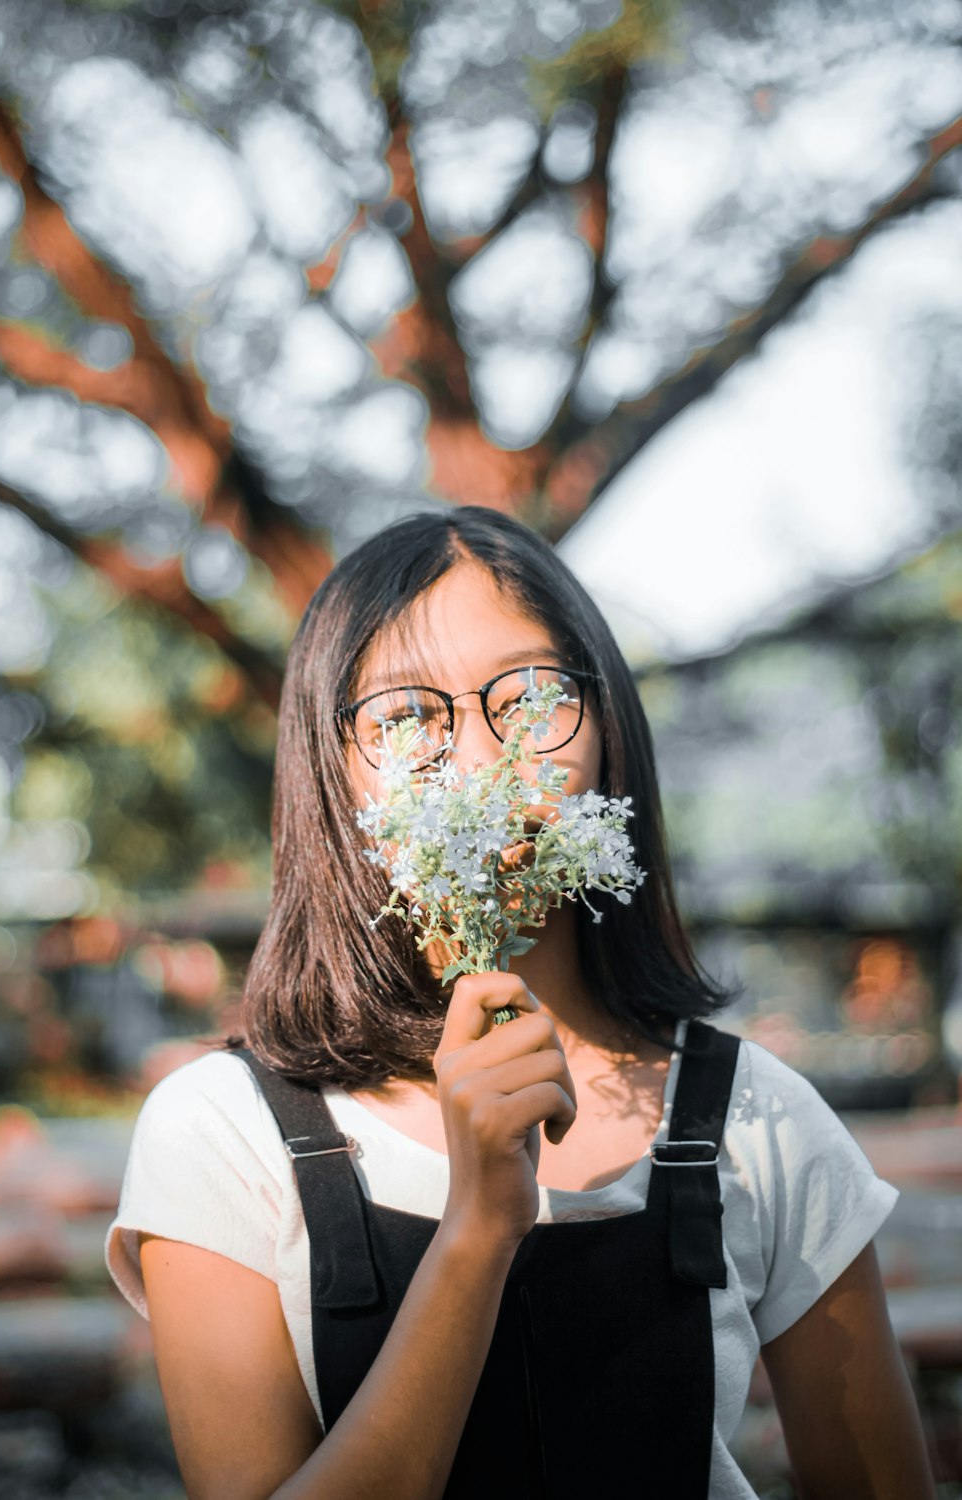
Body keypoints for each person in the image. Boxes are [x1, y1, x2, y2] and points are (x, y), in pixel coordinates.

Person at [105, 506, 934, 1500]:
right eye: (410, 716)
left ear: (607, 728)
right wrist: (478, 1228)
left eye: (531, 697)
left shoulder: (759, 1118)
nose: (478, 762)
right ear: (332, 769)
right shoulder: (222, 1134)